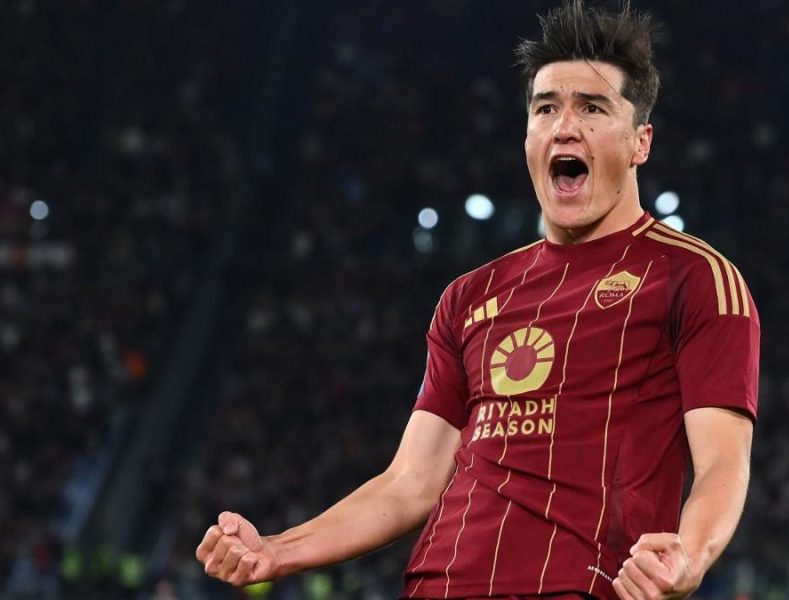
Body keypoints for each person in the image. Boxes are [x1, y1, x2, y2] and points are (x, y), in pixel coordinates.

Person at [196, 2, 760, 599]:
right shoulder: (470, 296)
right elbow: (410, 483)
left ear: (640, 141)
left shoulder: (693, 278)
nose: (564, 127)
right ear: (528, 135)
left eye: (592, 108)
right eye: (546, 108)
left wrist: (690, 555)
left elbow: (723, 463)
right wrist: (275, 551)